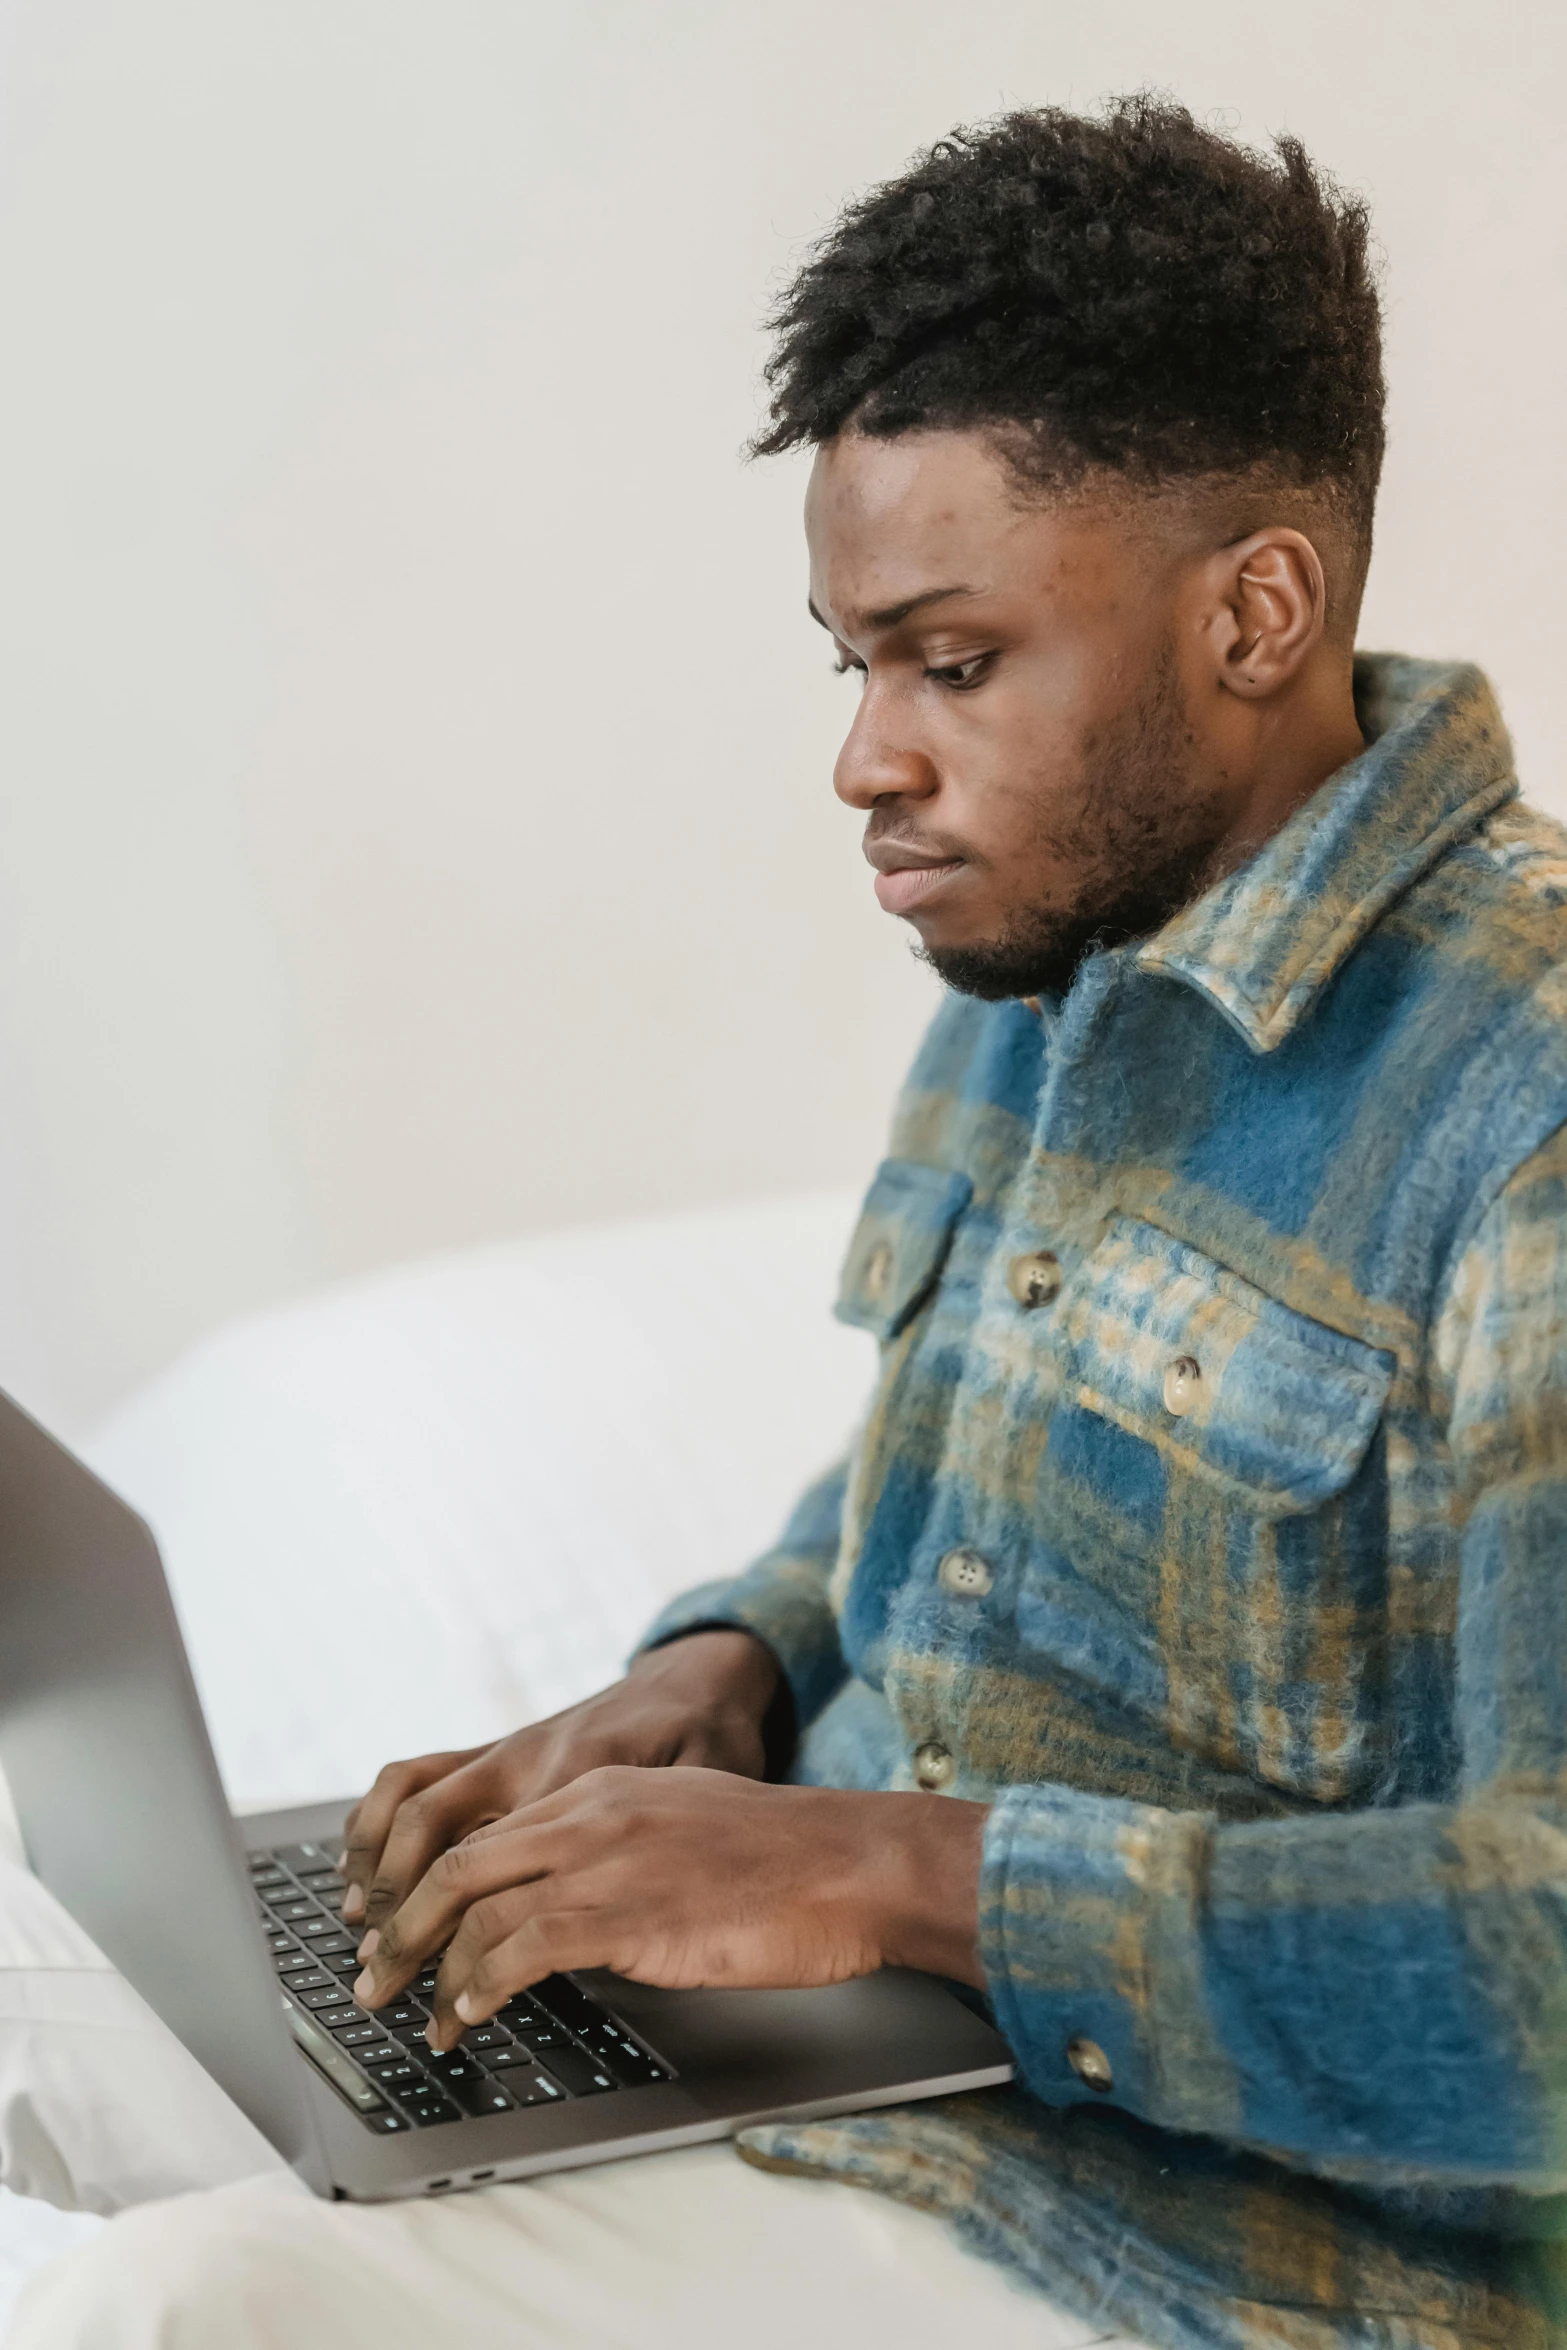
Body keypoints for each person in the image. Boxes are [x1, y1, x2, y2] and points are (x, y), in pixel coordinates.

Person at [10, 94, 1565, 2349]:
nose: (867, 757)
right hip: (808, 2057)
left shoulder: (1518, 1105)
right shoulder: (1065, 923)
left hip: (1189, 2244)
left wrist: (884, 1874)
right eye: (855, 661)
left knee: (177, 2307)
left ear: (1257, 609)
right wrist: (722, 1676)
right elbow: (938, 1489)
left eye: (952, 660)